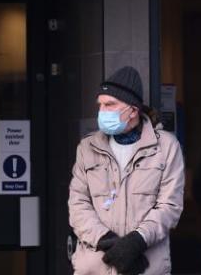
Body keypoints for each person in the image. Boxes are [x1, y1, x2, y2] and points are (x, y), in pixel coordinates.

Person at [69, 66, 185, 275]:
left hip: (146, 267)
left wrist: (137, 241)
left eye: (110, 105)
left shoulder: (166, 147)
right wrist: (108, 241)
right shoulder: (87, 148)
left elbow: (170, 206)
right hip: (95, 268)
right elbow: (78, 204)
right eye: (100, 105)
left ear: (133, 110)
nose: (102, 111)